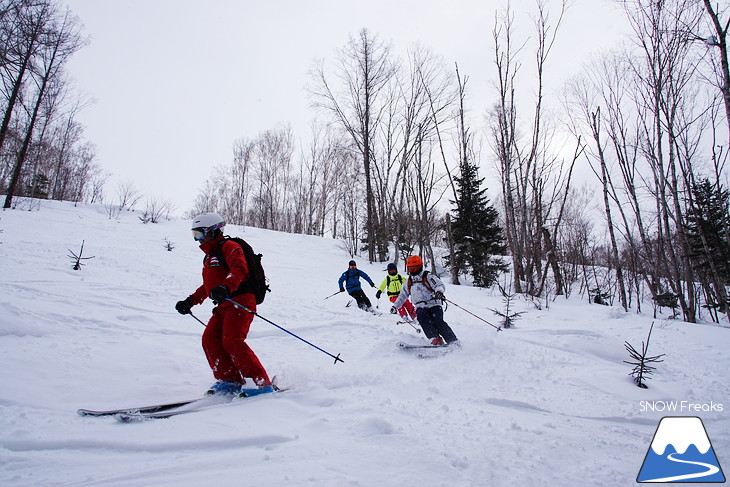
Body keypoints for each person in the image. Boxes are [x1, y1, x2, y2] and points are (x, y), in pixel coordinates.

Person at [175, 213, 273, 396]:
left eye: (199, 234)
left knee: (232, 341)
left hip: (241, 300)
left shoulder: (230, 247)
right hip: (224, 304)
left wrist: (226, 287)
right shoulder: (209, 256)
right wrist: (190, 301)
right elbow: (209, 286)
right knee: (210, 339)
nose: (197, 239)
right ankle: (230, 379)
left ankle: (261, 383)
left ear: (212, 231)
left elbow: (239, 268)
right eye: (194, 235)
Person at [391, 255, 459, 346]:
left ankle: (453, 341)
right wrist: (395, 306)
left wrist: (439, 292)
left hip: (434, 304)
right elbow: (402, 296)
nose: (412, 271)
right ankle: (435, 339)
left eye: (415, 268)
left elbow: (439, 285)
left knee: (438, 322)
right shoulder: (409, 282)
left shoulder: (428, 277)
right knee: (422, 318)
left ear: (420, 267)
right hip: (420, 307)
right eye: (410, 269)